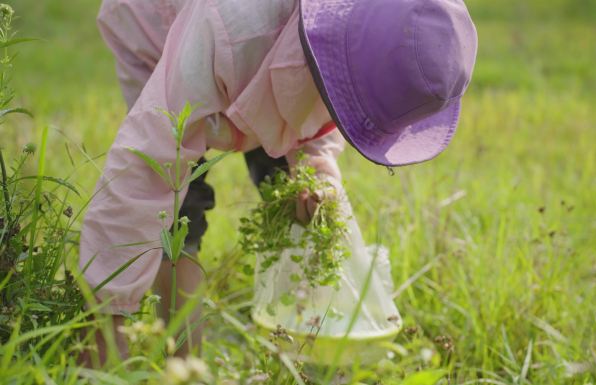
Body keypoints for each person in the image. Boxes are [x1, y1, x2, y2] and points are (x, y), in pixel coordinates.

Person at [81, 0, 477, 363]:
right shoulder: (233, 29)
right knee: (178, 215)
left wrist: (315, 169)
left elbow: (332, 95)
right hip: (167, 35)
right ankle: (183, 364)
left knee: (295, 198)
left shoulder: (352, 41)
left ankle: (302, 348)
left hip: (268, 53)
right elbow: (144, 167)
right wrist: (109, 310)